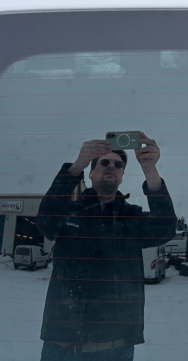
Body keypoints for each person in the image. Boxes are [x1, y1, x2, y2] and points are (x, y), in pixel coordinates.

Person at [36, 135, 176, 360]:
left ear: (121, 176)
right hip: (60, 346)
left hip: (114, 348)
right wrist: (77, 165)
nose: (112, 166)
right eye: (104, 162)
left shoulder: (131, 218)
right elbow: (45, 222)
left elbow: (166, 228)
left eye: (118, 165)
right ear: (91, 173)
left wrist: (150, 170)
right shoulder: (69, 212)